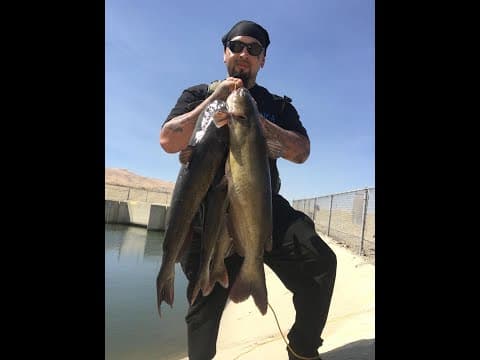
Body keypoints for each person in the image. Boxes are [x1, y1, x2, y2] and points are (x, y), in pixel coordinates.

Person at [159, 20, 337, 360]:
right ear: (225, 53)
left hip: (262, 206)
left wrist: (257, 121)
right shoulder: (197, 95)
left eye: (253, 49)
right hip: (206, 209)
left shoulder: (279, 106)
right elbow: (169, 140)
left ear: (263, 60)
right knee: (202, 306)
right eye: (237, 46)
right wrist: (215, 99)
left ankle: (302, 347)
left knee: (321, 263)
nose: (244, 54)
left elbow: (302, 152)